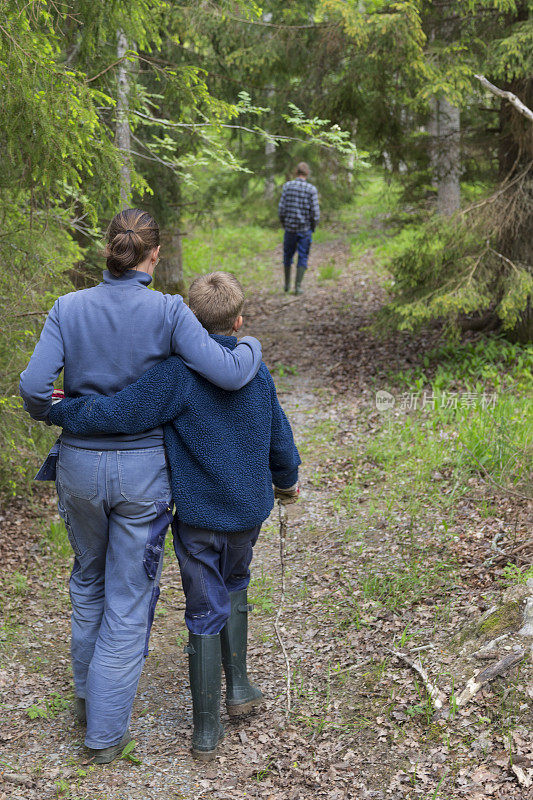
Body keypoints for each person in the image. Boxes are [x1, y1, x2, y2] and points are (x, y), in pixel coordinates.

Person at [19, 211, 263, 764]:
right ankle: (104, 735)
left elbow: (34, 387)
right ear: (153, 258)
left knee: (88, 581)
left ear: (110, 252)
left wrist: (59, 409)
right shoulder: (169, 310)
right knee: (129, 599)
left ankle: (89, 700)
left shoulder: (69, 307)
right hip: (142, 474)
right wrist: (252, 350)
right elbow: (225, 372)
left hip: (79, 467)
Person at [48, 271, 301, 761]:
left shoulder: (176, 376)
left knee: (205, 605)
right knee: (237, 580)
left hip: (199, 518)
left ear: (185, 322)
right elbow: (281, 441)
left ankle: (206, 732)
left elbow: (118, 414)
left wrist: (63, 410)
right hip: (248, 513)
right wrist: (287, 482)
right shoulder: (257, 373)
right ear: (240, 320)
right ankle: (240, 688)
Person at [278, 161, 320, 295]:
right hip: (304, 230)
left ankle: (286, 285)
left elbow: (281, 209)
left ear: (296, 172)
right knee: (303, 256)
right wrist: (312, 227)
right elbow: (315, 213)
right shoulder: (311, 189)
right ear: (307, 173)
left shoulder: (287, 186)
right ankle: (298, 287)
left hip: (289, 229)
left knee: (287, 256)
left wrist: (284, 224)